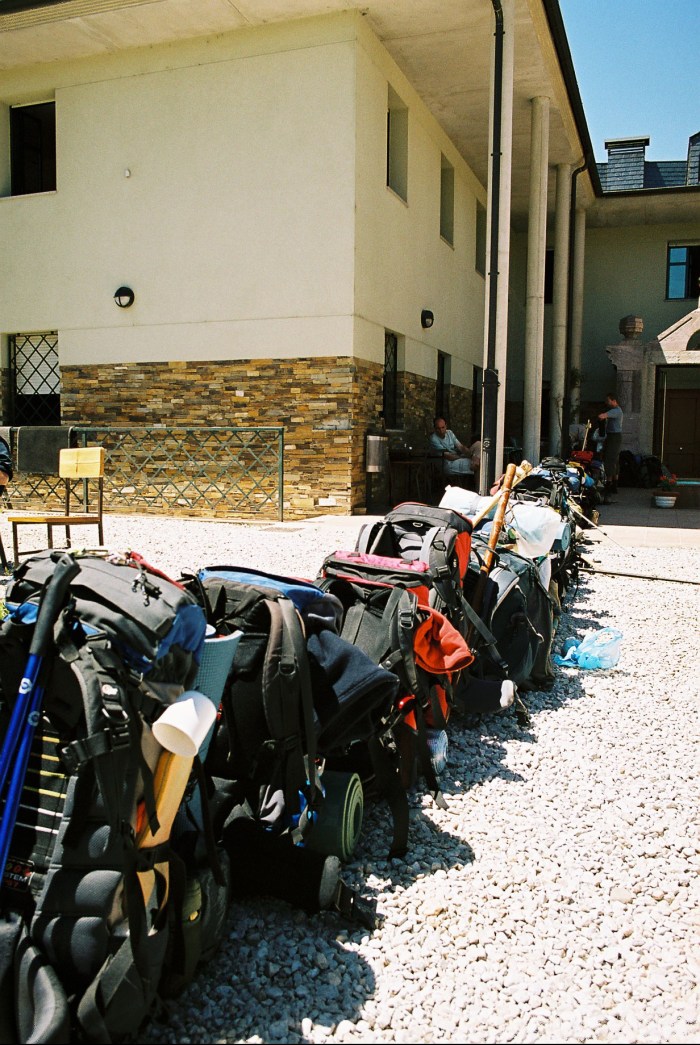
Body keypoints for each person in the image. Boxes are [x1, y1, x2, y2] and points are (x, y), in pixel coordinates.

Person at [429, 416, 474, 484]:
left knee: (477, 445)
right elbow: (448, 456)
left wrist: (470, 454)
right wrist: (463, 456)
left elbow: (460, 446)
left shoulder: (449, 433)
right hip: (446, 464)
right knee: (475, 464)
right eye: (438, 428)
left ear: (446, 426)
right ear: (435, 429)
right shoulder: (433, 439)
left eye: (443, 427)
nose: (441, 430)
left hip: (456, 459)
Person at [598, 392, 623, 501]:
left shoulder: (616, 411)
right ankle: (614, 484)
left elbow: (602, 416)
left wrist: (600, 416)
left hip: (614, 436)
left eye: (608, 401)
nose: (607, 403)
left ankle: (609, 483)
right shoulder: (617, 411)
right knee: (615, 460)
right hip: (613, 436)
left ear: (613, 401)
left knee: (609, 459)